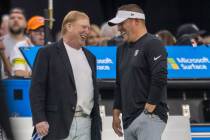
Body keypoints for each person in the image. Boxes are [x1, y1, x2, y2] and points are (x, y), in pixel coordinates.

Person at [30, 10, 101, 140]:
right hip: (56, 124)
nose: (87, 31)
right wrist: (39, 119)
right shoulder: (46, 53)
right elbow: (36, 89)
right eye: (83, 27)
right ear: (69, 26)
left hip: (87, 124)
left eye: (89, 28)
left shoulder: (91, 57)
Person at [108, 4, 168, 140]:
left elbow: (160, 75)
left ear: (137, 21)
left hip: (149, 117)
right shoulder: (121, 49)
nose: (118, 28)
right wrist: (116, 112)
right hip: (128, 120)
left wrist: (149, 109)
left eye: (122, 23)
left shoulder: (153, 43)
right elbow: (119, 83)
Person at [0, 8, 28, 77]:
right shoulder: (1, 41)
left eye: (19, 18)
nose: (16, 20)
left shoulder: (30, 44)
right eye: (12, 18)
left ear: (25, 23)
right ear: (8, 22)